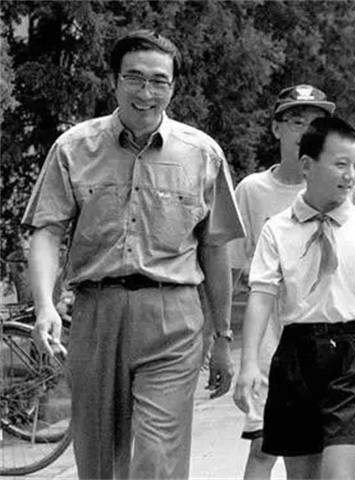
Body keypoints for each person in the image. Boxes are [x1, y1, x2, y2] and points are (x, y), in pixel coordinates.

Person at [22, 29, 245, 479]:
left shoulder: (202, 154)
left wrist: (222, 337)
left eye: (159, 81)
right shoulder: (74, 148)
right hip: (96, 313)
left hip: (172, 319)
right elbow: (47, 230)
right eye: (135, 78)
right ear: (114, 81)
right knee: (100, 462)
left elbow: (216, 248)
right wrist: (45, 304)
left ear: (173, 87)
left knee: (156, 460)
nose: (146, 93)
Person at [234, 117, 355, 479]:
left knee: (339, 475)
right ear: (307, 165)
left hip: (354, 356)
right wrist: (249, 363)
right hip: (297, 355)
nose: (351, 175)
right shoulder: (277, 229)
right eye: (340, 164)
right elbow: (261, 298)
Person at [228, 84, 335, 479]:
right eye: (296, 121)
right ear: (276, 128)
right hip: (271, 335)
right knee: (263, 443)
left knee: (311, 453)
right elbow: (231, 265)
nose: (305, 131)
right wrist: (222, 336)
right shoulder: (252, 191)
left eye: (315, 123)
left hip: (322, 333)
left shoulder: (337, 188)